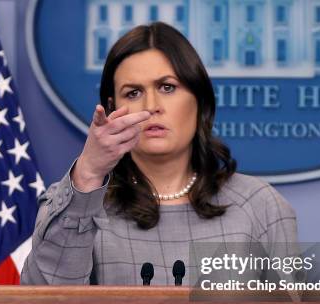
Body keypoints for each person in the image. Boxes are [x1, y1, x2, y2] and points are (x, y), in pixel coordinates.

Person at [21, 22, 298, 286]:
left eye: (167, 87)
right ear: (111, 107)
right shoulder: (73, 202)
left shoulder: (260, 205)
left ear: (200, 101)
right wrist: (88, 174)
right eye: (133, 93)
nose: (152, 105)